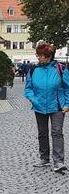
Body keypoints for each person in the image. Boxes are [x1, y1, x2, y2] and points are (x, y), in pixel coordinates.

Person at [24, 41, 69, 173]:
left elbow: (67, 88)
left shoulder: (60, 69)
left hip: (57, 107)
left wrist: (67, 104)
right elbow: (28, 89)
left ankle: (59, 161)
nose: (38, 57)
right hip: (39, 106)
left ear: (48, 56)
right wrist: (34, 100)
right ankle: (44, 158)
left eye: (40, 55)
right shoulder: (33, 70)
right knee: (42, 133)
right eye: (37, 55)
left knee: (57, 132)